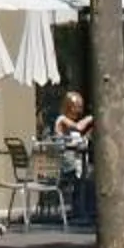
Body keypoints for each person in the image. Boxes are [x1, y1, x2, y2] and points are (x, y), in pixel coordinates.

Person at [53, 90, 97, 223]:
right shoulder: (61, 120)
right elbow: (78, 127)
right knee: (87, 176)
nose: (78, 111)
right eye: (75, 107)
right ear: (68, 106)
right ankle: (82, 211)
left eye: (79, 107)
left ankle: (84, 210)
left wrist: (88, 134)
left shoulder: (70, 123)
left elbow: (78, 138)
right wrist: (91, 117)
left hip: (75, 161)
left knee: (91, 174)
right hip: (64, 165)